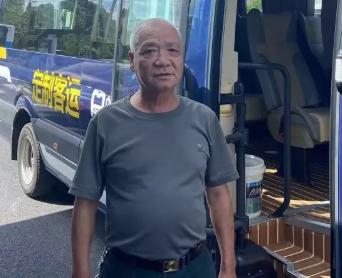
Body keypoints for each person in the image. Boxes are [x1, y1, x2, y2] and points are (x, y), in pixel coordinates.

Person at [70, 18, 239, 278]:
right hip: (127, 271)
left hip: (195, 268)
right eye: (149, 51)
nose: (163, 60)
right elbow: (85, 203)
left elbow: (218, 195)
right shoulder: (106, 123)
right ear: (132, 60)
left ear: (182, 59)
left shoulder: (204, 119)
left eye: (173, 50)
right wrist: (80, 273)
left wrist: (229, 266)